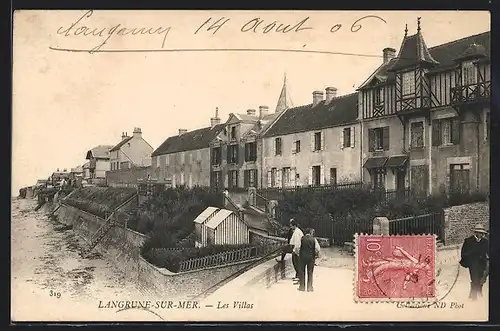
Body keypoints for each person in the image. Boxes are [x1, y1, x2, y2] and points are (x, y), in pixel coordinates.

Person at [460, 223, 489, 300]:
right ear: (475, 232)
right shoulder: (468, 241)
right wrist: (468, 261)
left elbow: (488, 252)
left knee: (481, 279)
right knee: (474, 279)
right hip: (473, 264)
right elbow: (463, 252)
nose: (481, 234)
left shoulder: (485, 242)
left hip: (482, 263)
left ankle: (479, 292)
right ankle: (473, 296)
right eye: (479, 232)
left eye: (482, 233)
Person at [297, 228, 320, 292]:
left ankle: (302, 287)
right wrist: (316, 255)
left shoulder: (302, 238)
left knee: (302, 271)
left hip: (302, 257)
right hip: (311, 258)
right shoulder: (314, 239)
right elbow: (318, 248)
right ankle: (309, 287)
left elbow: (297, 247)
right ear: (310, 232)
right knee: (310, 272)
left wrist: (299, 254)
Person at [289, 219, 304, 284]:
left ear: (294, 225)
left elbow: (298, 242)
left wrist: (295, 250)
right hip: (296, 249)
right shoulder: (296, 231)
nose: (290, 227)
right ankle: (297, 276)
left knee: (296, 263)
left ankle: (299, 277)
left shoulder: (297, 232)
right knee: (295, 263)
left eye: (291, 225)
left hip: (297, 250)